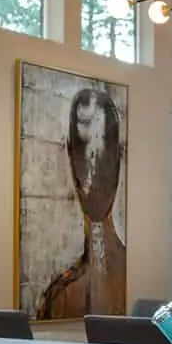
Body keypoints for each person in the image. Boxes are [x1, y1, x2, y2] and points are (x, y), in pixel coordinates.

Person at [38, 86, 127, 319]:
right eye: (83, 150)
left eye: (101, 150)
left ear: (118, 154)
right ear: (70, 154)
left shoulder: (135, 273)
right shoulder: (59, 297)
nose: (91, 173)